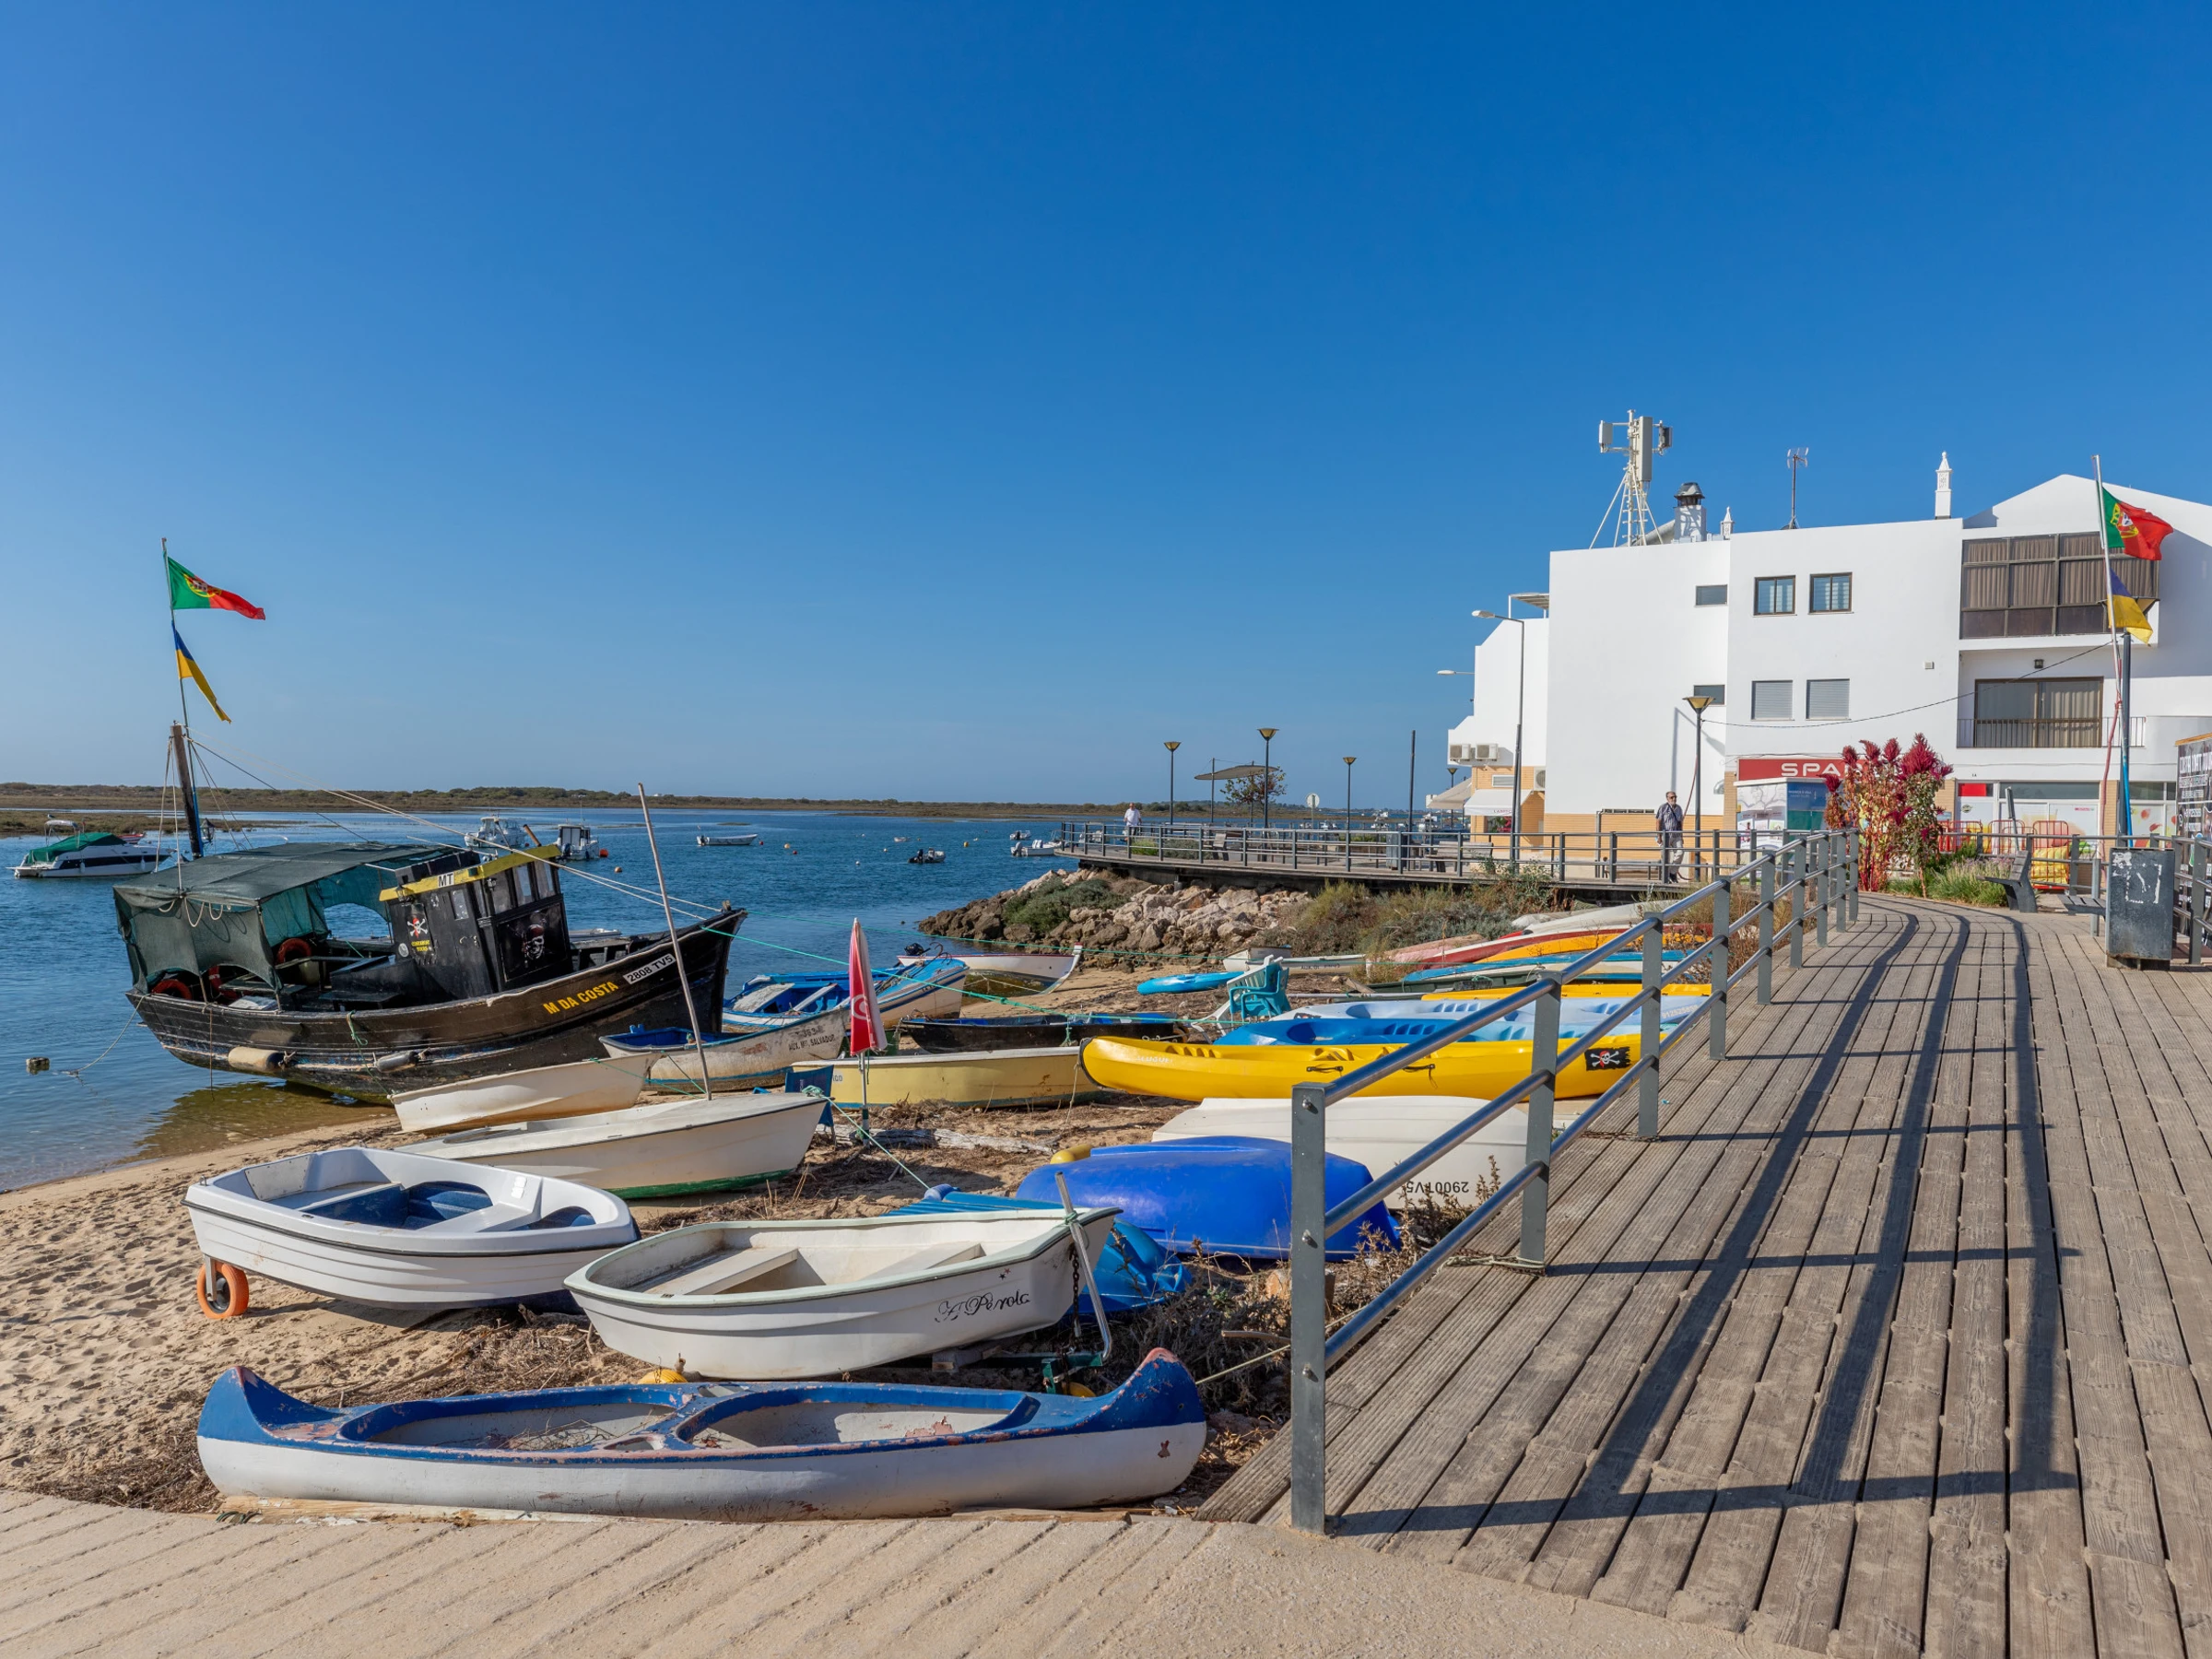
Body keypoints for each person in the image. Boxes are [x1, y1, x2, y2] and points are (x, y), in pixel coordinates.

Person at [1656, 790, 1684, 881]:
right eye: (1672, 797)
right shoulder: (1663, 807)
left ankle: (1672, 872)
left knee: (1680, 852)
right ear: (1667, 798)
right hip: (1666, 835)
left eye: (1675, 797)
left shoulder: (1679, 808)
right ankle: (1665, 876)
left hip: (1676, 834)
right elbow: (1658, 821)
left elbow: (1680, 822)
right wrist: (1659, 836)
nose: (1674, 799)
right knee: (1665, 856)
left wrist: (1681, 835)